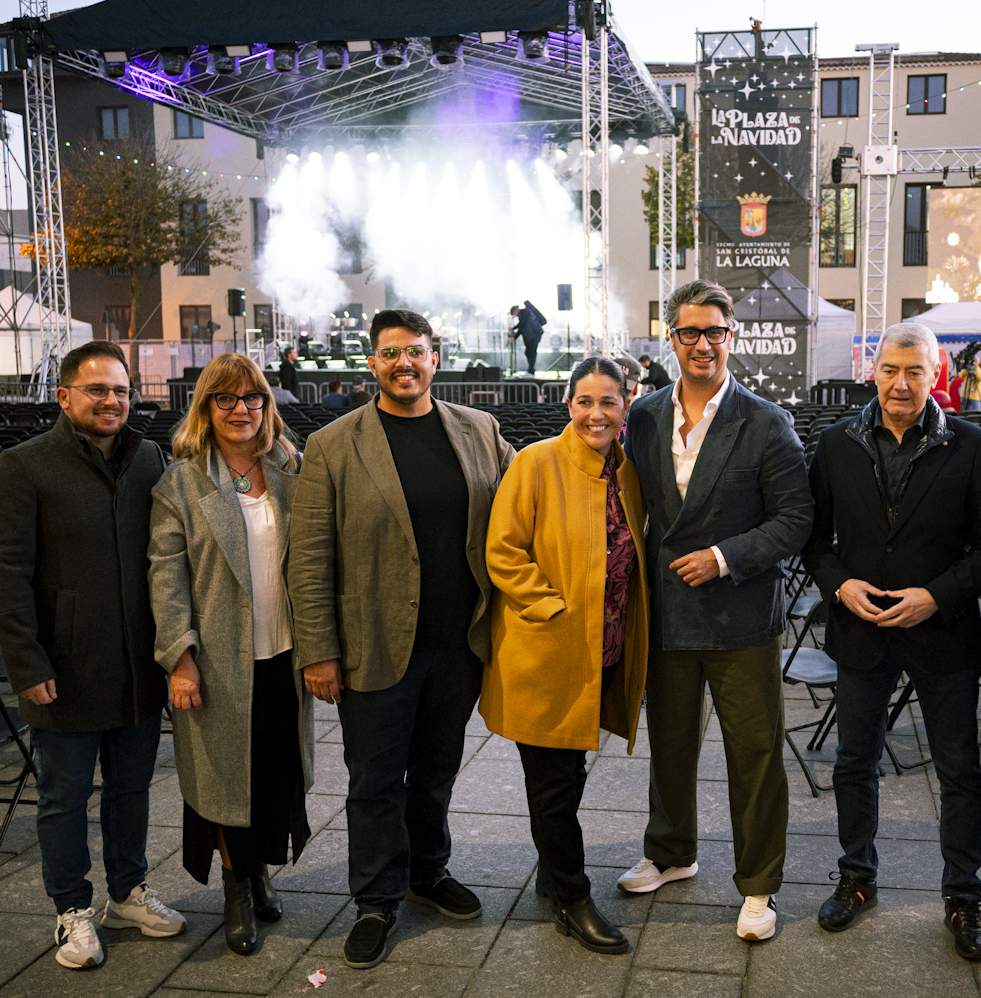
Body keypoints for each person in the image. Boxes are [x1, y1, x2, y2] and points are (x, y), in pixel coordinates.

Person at [288, 309, 516, 970]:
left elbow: (524, 503)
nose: (404, 365)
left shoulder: (480, 431)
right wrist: (319, 651)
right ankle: (375, 899)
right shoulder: (333, 445)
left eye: (415, 353)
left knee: (437, 772)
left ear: (435, 357)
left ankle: (428, 871)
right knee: (375, 780)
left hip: (459, 643)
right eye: (390, 355)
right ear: (372, 364)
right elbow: (308, 559)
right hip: (373, 643)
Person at [618, 279, 814, 942]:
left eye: (715, 332)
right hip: (667, 614)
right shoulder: (643, 416)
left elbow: (796, 519)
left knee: (754, 755)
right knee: (669, 746)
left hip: (738, 618)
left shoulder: (764, 421)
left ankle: (759, 886)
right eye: (689, 332)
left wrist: (725, 556)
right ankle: (672, 853)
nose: (703, 344)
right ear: (670, 338)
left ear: (732, 337)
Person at [802, 322, 981, 957]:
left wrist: (935, 596)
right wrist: (840, 586)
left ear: (935, 376)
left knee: (960, 771)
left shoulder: (970, 445)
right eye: (890, 369)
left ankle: (963, 896)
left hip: (940, 632)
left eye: (914, 371)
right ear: (874, 372)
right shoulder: (835, 444)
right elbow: (813, 540)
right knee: (852, 763)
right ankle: (856, 878)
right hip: (861, 631)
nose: (900, 382)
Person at [0, 340, 186, 971]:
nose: (112, 401)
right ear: (65, 395)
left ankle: (126, 892)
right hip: (64, 668)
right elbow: (6, 575)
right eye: (97, 390)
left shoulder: (149, 457)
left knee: (131, 789)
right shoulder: (24, 466)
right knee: (63, 798)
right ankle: (71, 908)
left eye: (122, 390)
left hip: (134, 666)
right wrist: (27, 663)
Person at [482, 357, 649, 955]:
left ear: (627, 405)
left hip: (601, 652)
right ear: (568, 404)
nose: (595, 413)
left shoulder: (627, 472)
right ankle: (573, 897)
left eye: (607, 402)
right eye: (583, 401)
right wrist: (551, 609)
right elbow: (502, 551)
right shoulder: (535, 462)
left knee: (567, 775)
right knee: (552, 783)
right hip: (549, 649)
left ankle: (553, 876)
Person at [148, 353, 313, 956]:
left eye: (253, 399)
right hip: (216, 660)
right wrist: (180, 658)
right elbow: (165, 577)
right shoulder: (182, 482)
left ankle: (262, 869)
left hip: (284, 652)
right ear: (206, 408)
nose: (241, 409)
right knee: (225, 778)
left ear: (269, 405)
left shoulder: (293, 468)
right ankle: (236, 887)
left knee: (275, 770)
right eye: (226, 399)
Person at [510, 300, 548, 376]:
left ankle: (531, 370)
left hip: (534, 335)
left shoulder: (524, 312)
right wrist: (514, 337)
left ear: (516, 310)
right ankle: (531, 369)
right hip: (532, 335)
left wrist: (513, 328)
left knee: (531, 352)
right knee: (529, 352)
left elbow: (522, 324)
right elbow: (522, 328)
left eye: (514, 313)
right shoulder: (524, 314)